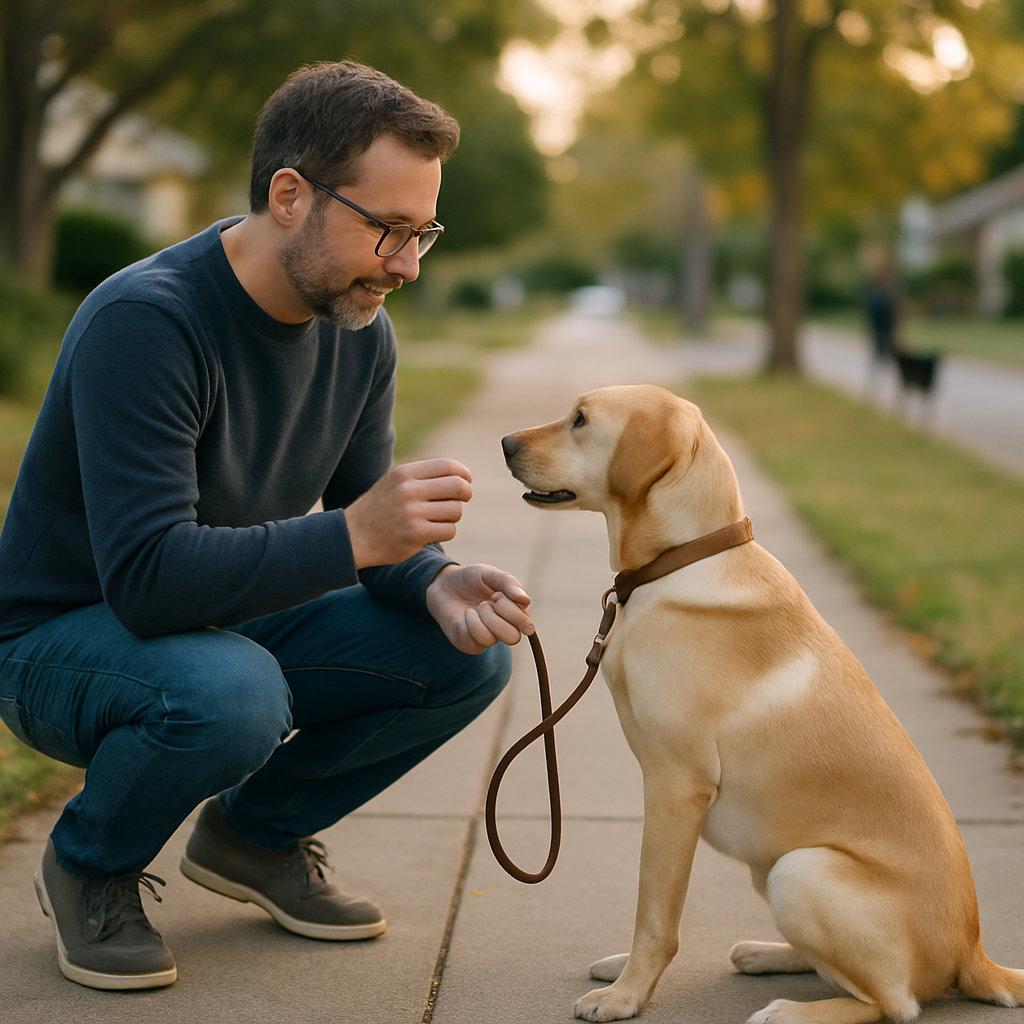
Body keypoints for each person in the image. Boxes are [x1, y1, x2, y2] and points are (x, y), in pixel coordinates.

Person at [0, 61, 534, 991]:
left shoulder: (359, 327)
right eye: (388, 231)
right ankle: (88, 863)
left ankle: (254, 838)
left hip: (210, 624)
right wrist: (362, 535)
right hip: (56, 641)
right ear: (291, 194)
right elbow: (150, 578)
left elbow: (365, 520)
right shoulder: (147, 322)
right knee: (232, 693)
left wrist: (433, 577)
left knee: (468, 653)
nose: (406, 266)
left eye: (424, 234)